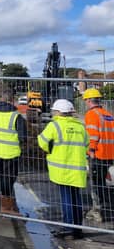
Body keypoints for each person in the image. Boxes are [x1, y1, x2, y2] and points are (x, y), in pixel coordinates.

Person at [38, 99, 89, 240]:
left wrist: (51, 149)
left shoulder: (54, 126)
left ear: (59, 112)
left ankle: (68, 229)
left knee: (66, 199)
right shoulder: (80, 127)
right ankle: (77, 229)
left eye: (54, 111)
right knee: (76, 199)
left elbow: (41, 142)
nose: (53, 113)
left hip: (62, 170)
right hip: (77, 170)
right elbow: (86, 145)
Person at [0, 92, 27, 215]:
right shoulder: (16, 116)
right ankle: (6, 207)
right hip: (11, 153)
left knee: (2, 176)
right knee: (9, 178)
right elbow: (23, 137)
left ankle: (6, 204)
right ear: (11, 101)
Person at [82, 88, 114, 221]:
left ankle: (96, 210)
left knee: (95, 183)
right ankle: (101, 207)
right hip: (110, 153)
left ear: (89, 100)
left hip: (98, 154)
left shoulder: (91, 114)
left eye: (85, 101)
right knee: (102, 182)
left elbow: (93, 135)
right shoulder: (108, 114)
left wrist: (91, 151)